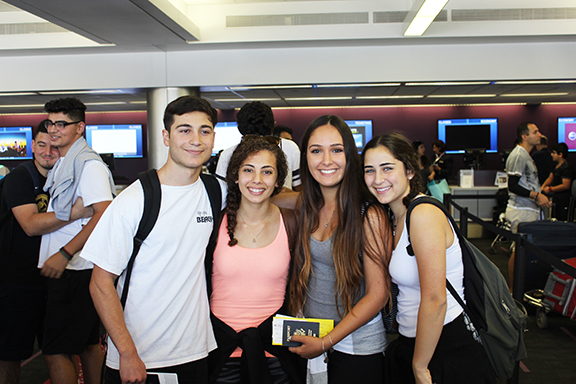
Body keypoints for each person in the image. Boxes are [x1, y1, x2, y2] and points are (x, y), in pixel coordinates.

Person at [83, 95, 226, 384]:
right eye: (184, 130)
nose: (195, 140)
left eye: (205, 131)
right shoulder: (135, 200)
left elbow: (264, 196)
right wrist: (127, 353)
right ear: (166, 136)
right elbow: (100, 284)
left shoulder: (215, 191)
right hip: (140, 357)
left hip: (195, 351)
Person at [363, 132, 496, 384]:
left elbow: (436, 299)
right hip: (415, 342)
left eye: (387, 168)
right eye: (370, 170)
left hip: (445, 347)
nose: (377, 179)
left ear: (410, 171)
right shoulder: (396, 217)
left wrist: (421, 366)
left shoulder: (422, 214)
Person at [288, 115, 391, 384]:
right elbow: (275, 197)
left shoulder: (368, 214)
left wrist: (326, 342)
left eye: (336, 150)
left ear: (350, 155)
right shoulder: (308, 206)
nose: (326, 160)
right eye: (316, 151)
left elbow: (378, 295)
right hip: (315, 342)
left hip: (355, 348)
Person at [0, 121, 92, 384]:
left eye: (55, 145)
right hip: (17, 282)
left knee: (59, 349)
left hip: (56, 279)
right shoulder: (19, 178)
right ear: (32, 146)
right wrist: (78, 211)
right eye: (42, 145)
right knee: (10, 353)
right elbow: (30, 225)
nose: (48, 151)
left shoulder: (67, 176)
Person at [208, 136, 305, 384]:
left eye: (267, 172)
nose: (257, 180)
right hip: (220, 353)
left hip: (275, 354)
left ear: (278, 180)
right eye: (248, 170)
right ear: (236, 176)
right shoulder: (214, 225)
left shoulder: (292, 223)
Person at [38, 98, 115, 384]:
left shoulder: (87, 165)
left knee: (55, 350)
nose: (54, 130)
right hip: (74, 269)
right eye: (50, 123)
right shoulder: (66, 161)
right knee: (86, 344)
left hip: (75, 270)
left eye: (61, 124)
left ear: (79, 127)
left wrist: (64, 253)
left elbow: (103, 213)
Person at [505, 122, 551, 288]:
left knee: (524, 251)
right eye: (535, 132)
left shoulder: (526, 155)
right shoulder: (518, 155)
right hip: (520, 210)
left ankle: (521, 287)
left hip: (529, 209)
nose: (539, 135)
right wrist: (537, 195)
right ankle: (512, 290)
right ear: (524, 136)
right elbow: (513, 185)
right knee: (518, 251)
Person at [216, 101, 301, 191]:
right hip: (284, 204)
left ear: (239, 129)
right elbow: (298, 189)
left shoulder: (228, 154)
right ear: (273, 124)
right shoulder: (291, 147)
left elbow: (222, 192)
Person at [541, 142, 575, 221]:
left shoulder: (567, 168)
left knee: (564, 220)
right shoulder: (555, 166)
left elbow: (565, 185)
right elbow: (550, 178)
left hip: (565, 199)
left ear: (560, 154)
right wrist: (542, 187)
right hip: (557, 198)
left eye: (554, 153)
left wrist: (550, 189)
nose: (551, 154)